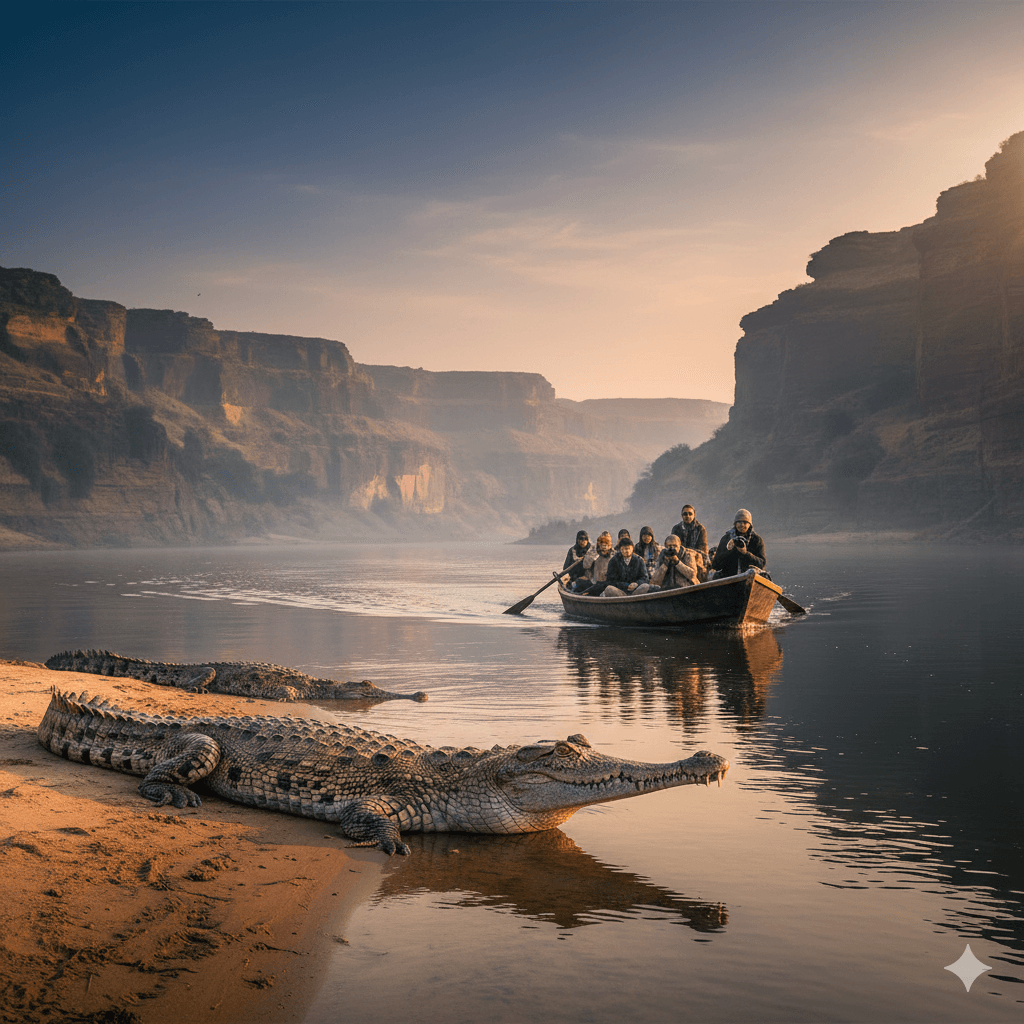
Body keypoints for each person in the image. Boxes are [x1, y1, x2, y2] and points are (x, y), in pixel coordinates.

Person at [710, 509, 766, 578]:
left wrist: (746, 553)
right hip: (729, 577)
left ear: (750, 524)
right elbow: (716, 565)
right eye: (739, 522)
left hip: (749, 577)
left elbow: (762, 563)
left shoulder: (757, 540)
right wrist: (731, 551)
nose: (742, 525)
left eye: (745, 522)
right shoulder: (726, 538)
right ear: (735, 524)